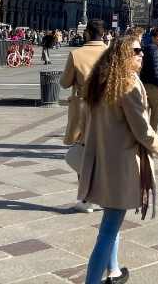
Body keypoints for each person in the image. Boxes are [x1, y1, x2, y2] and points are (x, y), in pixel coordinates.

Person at [78, 33, 158, 284]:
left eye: (141, 50)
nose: (142, 54)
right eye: (136, 51)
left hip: (102, 159)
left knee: (111, 220)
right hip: (120, 163)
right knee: (109, 228)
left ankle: (114, 271)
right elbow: (142, 129)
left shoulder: (100, 82)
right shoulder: (127, 85)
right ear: (122, 56)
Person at [60, 19, 109, 213]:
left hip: (83, 109)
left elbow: (64, 83)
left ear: (87, 33)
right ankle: (106, 195)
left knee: (82, 153)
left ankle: (86, 198)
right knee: (104, 152)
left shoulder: (76, 54)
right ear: (103, 33)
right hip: (108, 108)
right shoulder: (111, 53)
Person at [139, 27, 158, 132]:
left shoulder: (146, 48)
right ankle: (152, 137)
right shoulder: (154, 49)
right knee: (155, 115)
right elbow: (157, 70)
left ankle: (143, 135)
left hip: (145, 85)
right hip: (154, 87)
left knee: (145, 113)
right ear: (153, 38)